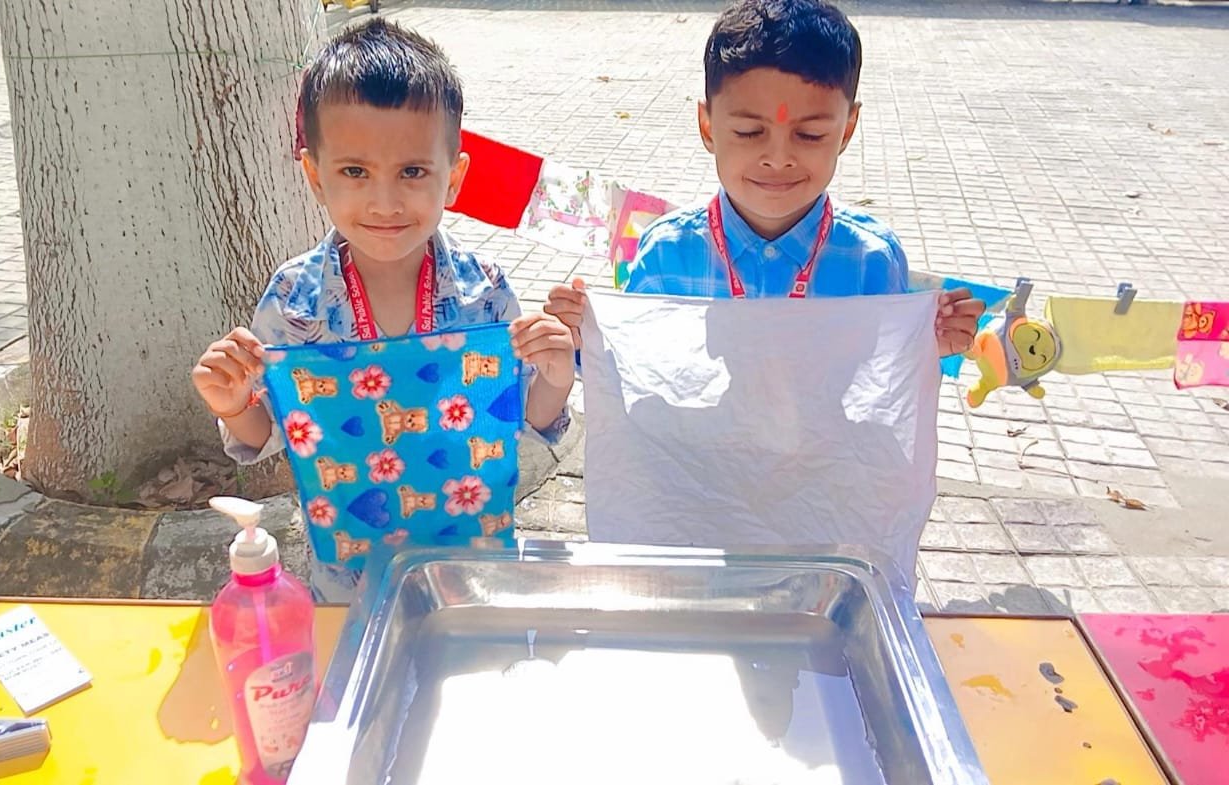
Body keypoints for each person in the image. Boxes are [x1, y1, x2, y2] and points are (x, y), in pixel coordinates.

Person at [191, 17, 575, 602]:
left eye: (413, 172)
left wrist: (556, 375)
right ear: (315, 176)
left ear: (454, 177)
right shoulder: (294, 300)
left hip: (471, 581)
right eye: (355, 171)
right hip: (346, 587)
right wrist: (233, 400)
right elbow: (266, 432)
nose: (385, 201)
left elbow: (524, 416)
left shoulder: (485, 293)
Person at [545, 0, 983, 357]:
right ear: (707, 127)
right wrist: (586, 337)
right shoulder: (666, 255)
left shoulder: (872, 261)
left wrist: (928, 346)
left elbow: (885, 378)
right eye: (749, 132)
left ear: (847, 130)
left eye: (810, 135)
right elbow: (633, 365)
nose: (778, 159)